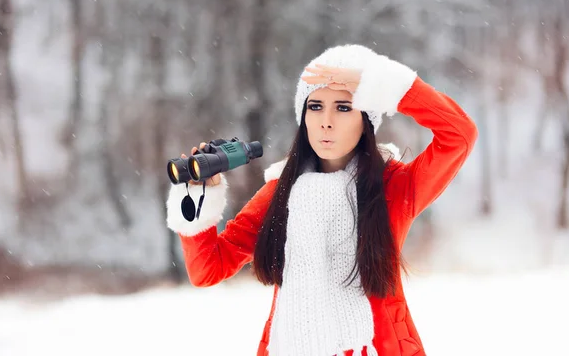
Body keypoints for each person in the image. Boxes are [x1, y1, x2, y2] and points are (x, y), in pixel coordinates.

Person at [166, 44, 478, 356]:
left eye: (344, 107)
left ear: (366, 120)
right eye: (315, 106)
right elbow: (208, 268)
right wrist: (197, 193)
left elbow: (459, 134)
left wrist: (383, 86)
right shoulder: (282, 192)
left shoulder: (395, 188)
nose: (326, 121)